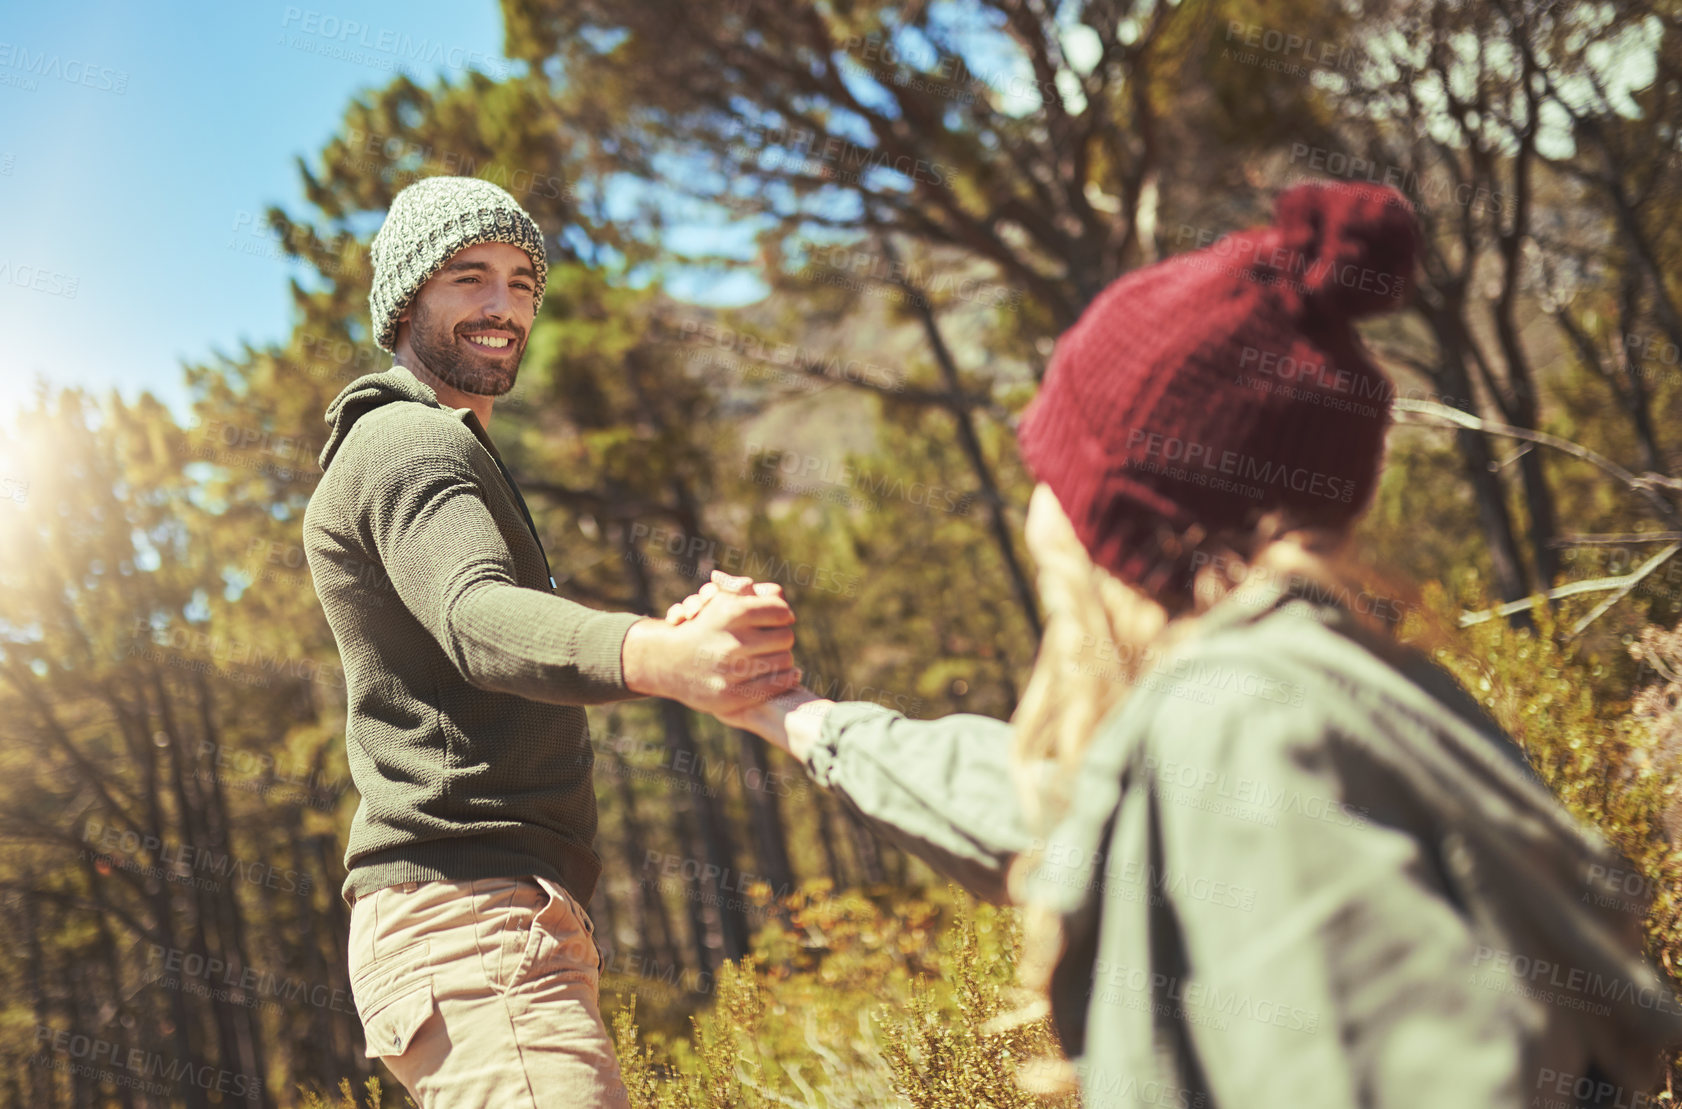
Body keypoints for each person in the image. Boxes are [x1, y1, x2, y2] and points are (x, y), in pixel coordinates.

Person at [678, 181, 1682, 1106]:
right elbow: (1054, 812)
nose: (1035, 504)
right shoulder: (1325, 692)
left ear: (1122, 519)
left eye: (1049, 465)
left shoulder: (1245, 718)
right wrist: (788, 709)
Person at [303, 176, 799, 1108]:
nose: (505, 306)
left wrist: (672, 629)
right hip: (467, 918)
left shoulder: (440, 442)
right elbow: (478, 616)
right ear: (407, 298)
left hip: (490, 917)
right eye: (469, 277)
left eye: (524, 282)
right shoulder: (410, 443)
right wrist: (667, 654)